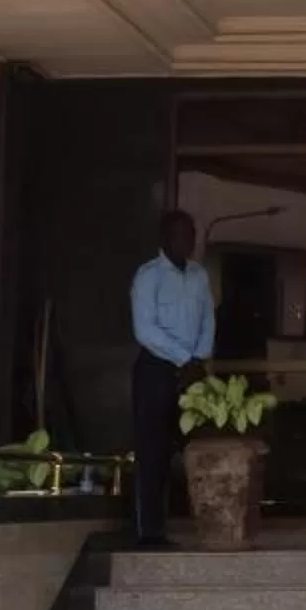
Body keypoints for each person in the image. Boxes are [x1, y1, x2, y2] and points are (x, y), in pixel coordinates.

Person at [128, 210, 214, 548]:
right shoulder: (148, 276)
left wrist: (198, 360)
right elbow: (145, 328)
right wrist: (183, 358)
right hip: (156, 369)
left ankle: (206, 524)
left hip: (192, 372)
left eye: (192, 234)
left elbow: (208, 320)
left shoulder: (199, 276)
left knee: (197, 448)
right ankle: (150, 532)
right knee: (154, 451)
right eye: (181, 234)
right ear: (165, 238)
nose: (189, 240)